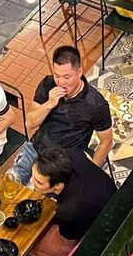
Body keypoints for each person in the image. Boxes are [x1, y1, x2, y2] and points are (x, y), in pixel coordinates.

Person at [12, 45, 113, 185]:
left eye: (67, 77)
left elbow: (106, 142)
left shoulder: (95, 104)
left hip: (61, 162)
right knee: (10, 181)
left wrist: (90, 171)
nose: (60, 82)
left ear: (79, 72)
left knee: (36, 192)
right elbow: (30, 122)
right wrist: (49, 104)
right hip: (35, 148)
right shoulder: (48, 84)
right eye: (57, 76)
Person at [30, 145, 116, 256]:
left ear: (58, 186)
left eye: (39, 182)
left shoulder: (68, 210)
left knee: (33, 242)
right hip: (111, 194)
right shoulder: (70, 155)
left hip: (106, 230)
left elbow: (67, 241)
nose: (32, 181)